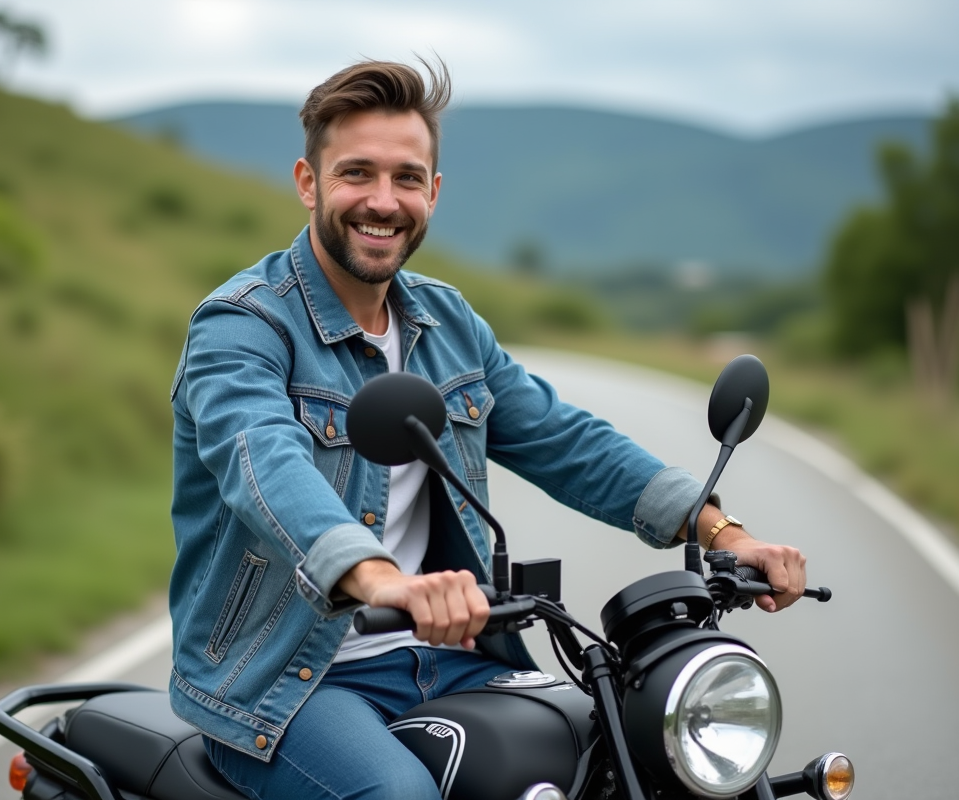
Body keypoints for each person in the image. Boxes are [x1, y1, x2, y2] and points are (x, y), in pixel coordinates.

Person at [167, 57, 807, 800]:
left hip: (457, 654)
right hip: (288, 680)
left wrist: (723, 531)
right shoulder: (242, 325)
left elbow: (565, 440)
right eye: (356, 174)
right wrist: (385, 582)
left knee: (624, 754)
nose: (383, 201)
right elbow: (265, 467)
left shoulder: (448, 324)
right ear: (308, 183)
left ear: (432, 193)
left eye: (406, 178)